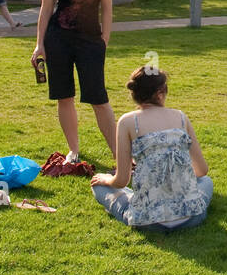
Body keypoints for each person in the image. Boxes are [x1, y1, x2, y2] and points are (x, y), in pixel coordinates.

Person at [32, 0, 116, 165]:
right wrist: (40, 44)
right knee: (63, 96)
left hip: (91, 41)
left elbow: (108, 9)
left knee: (98, 98)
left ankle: (118, 153)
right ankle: (74, 150)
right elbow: (45, 10)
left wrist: (105, 39)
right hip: (58, 40)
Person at [90, 66, 213, 230]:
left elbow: (121, 181)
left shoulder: (127, 121)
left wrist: (105, 179)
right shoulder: (181, 117)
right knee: (206, 181)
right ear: (161, 92)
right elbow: (202, 171)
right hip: (191, 216)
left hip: (148, 221)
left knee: (99, 185)